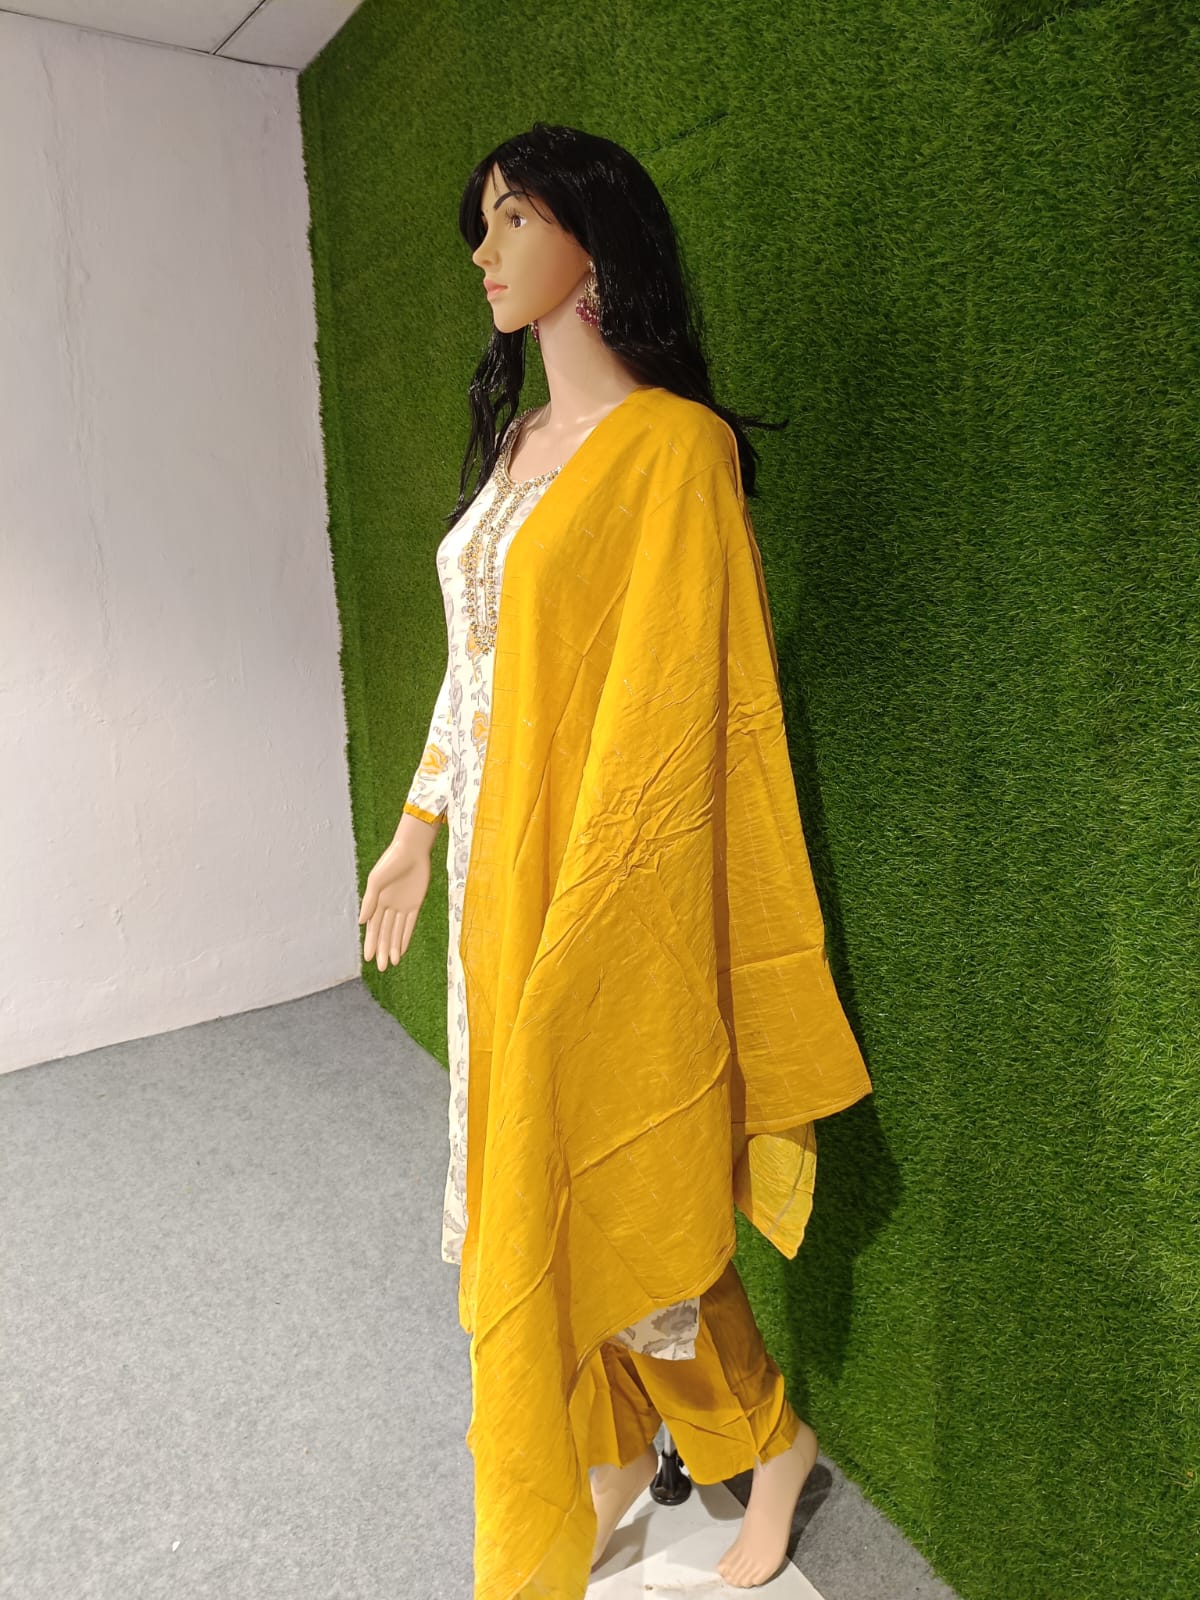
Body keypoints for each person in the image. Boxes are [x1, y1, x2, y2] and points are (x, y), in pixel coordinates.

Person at [356, 123, 873, 1599]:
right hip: (494, 895)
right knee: (544, 1187)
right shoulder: (522, 445)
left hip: (607, 893)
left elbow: (686, 715)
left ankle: (768, 1442)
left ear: (595, 239)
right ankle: (610, 1453)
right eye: (482, 223)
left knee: (621, 1170)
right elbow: (477, 669)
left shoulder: (675, 453)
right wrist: (416, 832)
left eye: (513, 217)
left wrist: (597, 909)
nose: (484, 250)